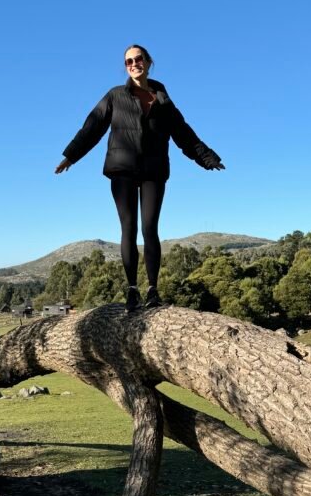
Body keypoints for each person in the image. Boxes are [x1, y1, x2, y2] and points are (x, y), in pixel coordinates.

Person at [55, 45, 224, 312]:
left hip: (153, 171)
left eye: (138, 59)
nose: (133, 64)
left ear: (148, 62)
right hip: (122, 169)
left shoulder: (163, 101)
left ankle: (153, 290)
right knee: (129, 228)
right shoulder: (115, 96)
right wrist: (71, 156)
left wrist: (207, 158)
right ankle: (132, 289)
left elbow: (184, 133)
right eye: (128, 61)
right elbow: (92, 127)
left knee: (150, 228)